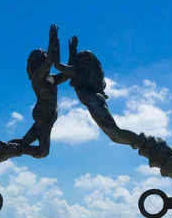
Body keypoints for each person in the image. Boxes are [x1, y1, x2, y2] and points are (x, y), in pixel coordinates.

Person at [54, 36, 139, 147]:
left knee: (115, 134)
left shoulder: (77, 71)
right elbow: (71, 64)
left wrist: (55, 42)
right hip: (95, 100)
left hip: (94, 102)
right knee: (115, 136)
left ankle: (148, 145)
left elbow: (58, 66)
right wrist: (72, 50)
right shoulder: (80, 70)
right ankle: (146, 145)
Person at [11, 24, 69, 159]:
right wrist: (52, 40)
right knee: (43, 151)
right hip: (42, 116)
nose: (47, 56)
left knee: (24, 142)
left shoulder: (50, 78)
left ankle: (7, 148)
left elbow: (67, 74)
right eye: (44, 56)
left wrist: (72, 52)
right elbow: (50, 60)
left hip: (47, 117)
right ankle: (9, 148)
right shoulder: (37, 77)